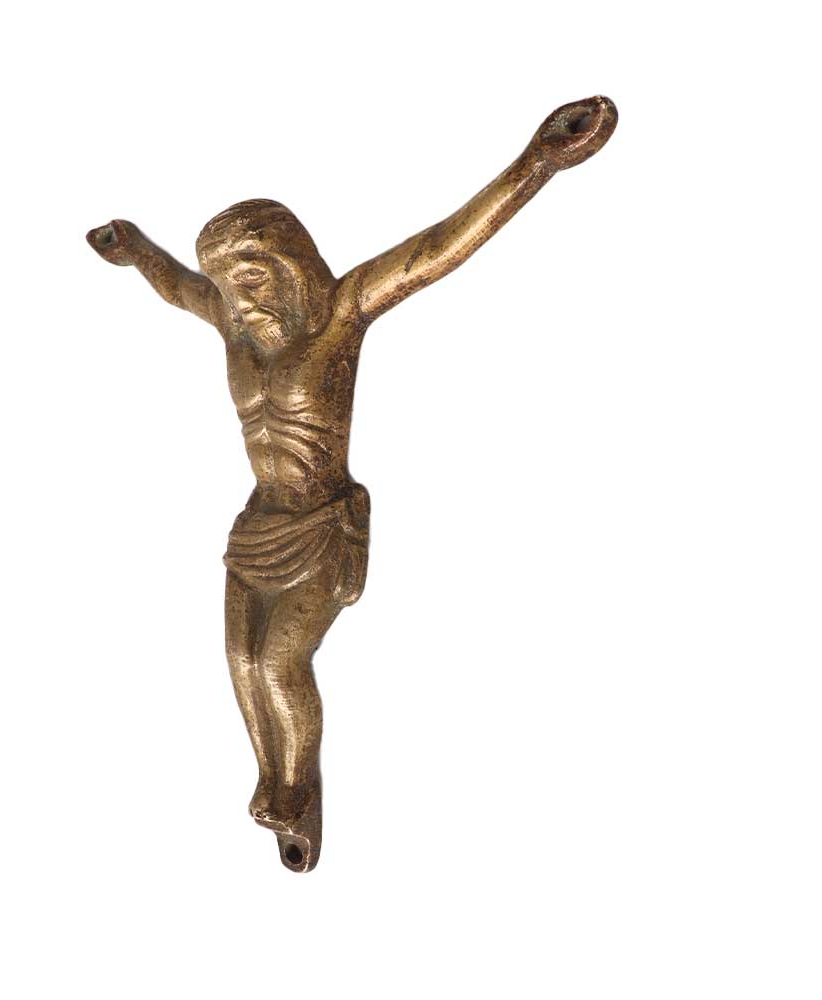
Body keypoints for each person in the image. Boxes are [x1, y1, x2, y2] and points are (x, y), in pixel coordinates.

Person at [86, 95, 618, 871]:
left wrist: (536, 162)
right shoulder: (233, 329)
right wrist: (136, 251)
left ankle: (297, 785)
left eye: (254, 274)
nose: (244, 296)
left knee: (278, 665)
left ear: (290, 265)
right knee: (240, 664)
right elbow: (176, 285)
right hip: (258, 524)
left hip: (321, 524)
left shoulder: (339, 315)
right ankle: (276, 786)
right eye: (231, 284)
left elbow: (438, 249)